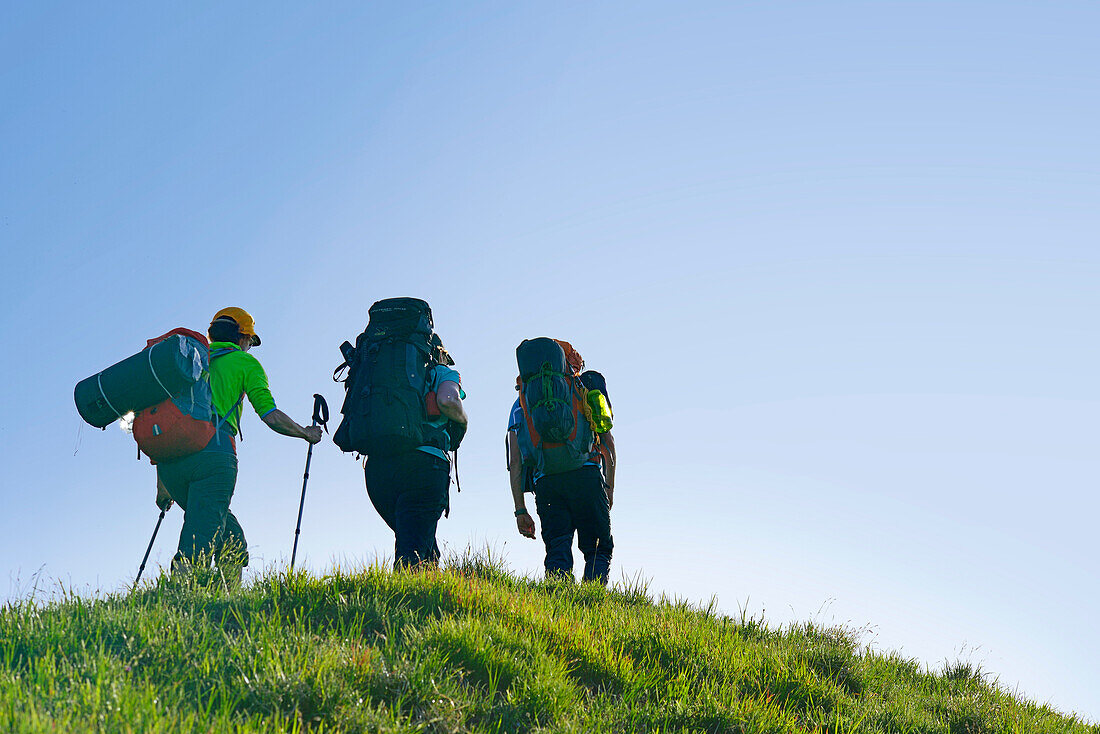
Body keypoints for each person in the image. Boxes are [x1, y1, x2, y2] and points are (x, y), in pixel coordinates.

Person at [155, 307, 322, 582]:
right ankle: (179, 599)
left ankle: (227, 602)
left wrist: (162, 487)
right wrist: (305, 433)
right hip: (214, 455)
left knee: (231, 538)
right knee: (199, 538)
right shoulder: (245, 364)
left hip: (172, 466)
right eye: (249, 341)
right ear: (242, 337)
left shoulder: (188, 361)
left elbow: (165, 422)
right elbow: (271, 416)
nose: (249, 348)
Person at [508, 340, 615, 584]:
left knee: (557, 549)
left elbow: (516, 461)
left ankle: (559, 603)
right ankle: (592, 605)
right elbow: (608, 443)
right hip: (586, 475)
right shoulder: (584, 390)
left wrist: (520, 509)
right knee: (598, 548)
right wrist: (609, 486)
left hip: (546, 481)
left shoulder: (521, 402)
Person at [364, 337, 468, 569]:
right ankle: (403, 602)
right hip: (424, 465)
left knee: (416, 538)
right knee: (411, 552)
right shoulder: (443, 372)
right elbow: (448, 400)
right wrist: (464, 422)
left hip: (377, 469)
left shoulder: (376, 368)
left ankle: (430, 587)